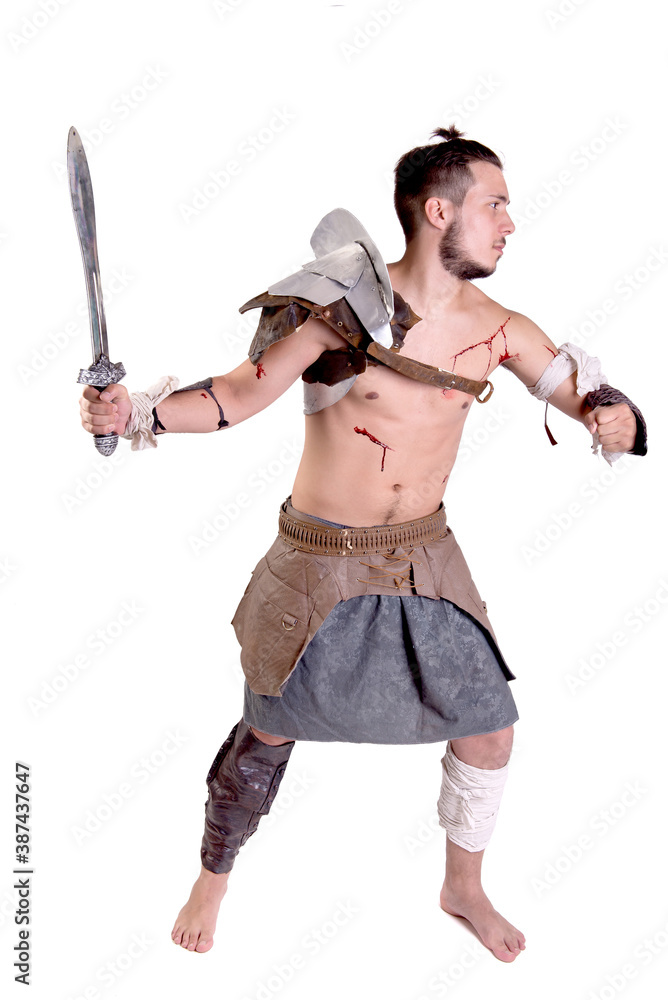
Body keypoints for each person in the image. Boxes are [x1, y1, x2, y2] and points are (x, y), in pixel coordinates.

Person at [79, 126, 646, 963]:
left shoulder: (501, 328)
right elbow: (239, 394)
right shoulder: (334, 313)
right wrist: (138, 412)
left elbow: (581, 392)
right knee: (268, 732)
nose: (509, 223)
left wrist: (613, 415)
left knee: (490, 730)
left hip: (424, 557)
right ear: (438, 212)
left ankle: (463, 887)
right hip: (318, 560)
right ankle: (213, 876)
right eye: (495, 205)